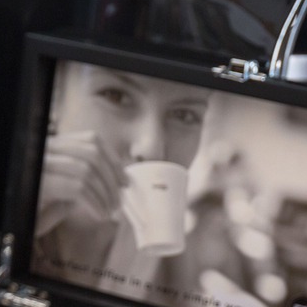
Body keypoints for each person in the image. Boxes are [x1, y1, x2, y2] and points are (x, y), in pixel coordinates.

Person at [32, 60, 210, 283]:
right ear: (54, 97)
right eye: (116, 95)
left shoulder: (173, 255)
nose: (152, 149)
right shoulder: (0, 198)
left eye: (185, 115)